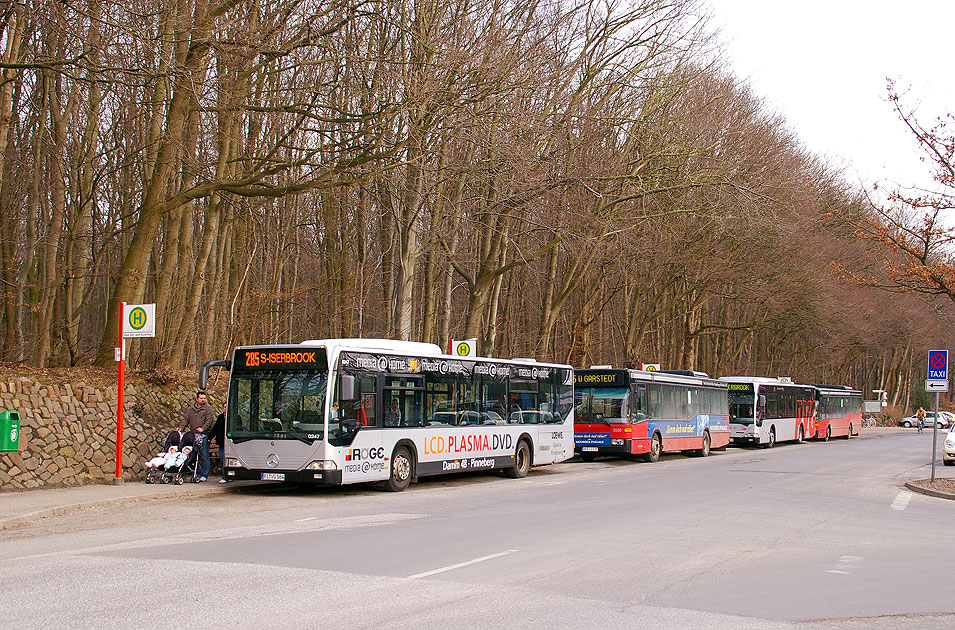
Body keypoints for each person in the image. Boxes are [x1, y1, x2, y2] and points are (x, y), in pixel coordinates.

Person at [179, 390, 217, 481]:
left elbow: (209, 421)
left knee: (204, 455)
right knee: (193, 454)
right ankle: (197, 471)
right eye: (201, 398)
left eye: (204, 398)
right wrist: (181, 428)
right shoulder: (191, 408)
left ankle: (204, 474)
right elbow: (186, 419)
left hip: (204, 435)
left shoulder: (208, 409)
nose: (203, 400)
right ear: (197, 399)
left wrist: (203, 428)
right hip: (193, 435)